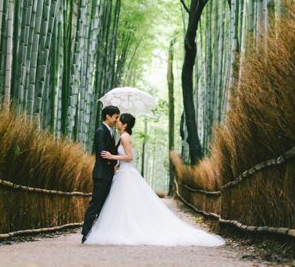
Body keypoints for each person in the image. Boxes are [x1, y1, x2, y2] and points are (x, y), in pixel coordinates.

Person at [83, 113, 225, 246]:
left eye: (119, 120)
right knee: (125, 203)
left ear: (125, 125)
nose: (117, 122)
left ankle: (126, 229)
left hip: (126, 174)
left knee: (124, 201)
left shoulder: (125, 137)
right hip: (123, 174)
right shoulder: (121, 136)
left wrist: (112, 157)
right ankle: (125, 227)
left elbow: (129, 157)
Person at [81, 105, 120, 243]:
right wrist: (113, 163)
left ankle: (97, 232)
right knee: (96, 204)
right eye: (116, 117)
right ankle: (85, 233)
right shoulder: (101, 131)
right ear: (108, 116)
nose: (117, 120)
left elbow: (110, 152)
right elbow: (103, 153)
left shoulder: (109, 131)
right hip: (101, 173)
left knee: (103, 204)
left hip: (107, 174)